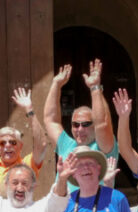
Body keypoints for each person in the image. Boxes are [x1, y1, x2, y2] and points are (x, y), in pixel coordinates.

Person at [43, 59, 119, 190]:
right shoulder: (66, 144)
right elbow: (51, 120)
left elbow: (103, 124)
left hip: (93, 208)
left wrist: (95, 88)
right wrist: (56, 84)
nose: (80, 129)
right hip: (65, 208)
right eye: (75, 125)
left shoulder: (103, 147)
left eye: (86, 124)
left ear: (94, 126)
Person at [0, 88, 48, 193]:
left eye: (13, 142)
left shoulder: (27, 164)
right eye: (3, 143)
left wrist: (29, 110)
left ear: (20, 146)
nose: (7, 146)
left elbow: (42, 144)